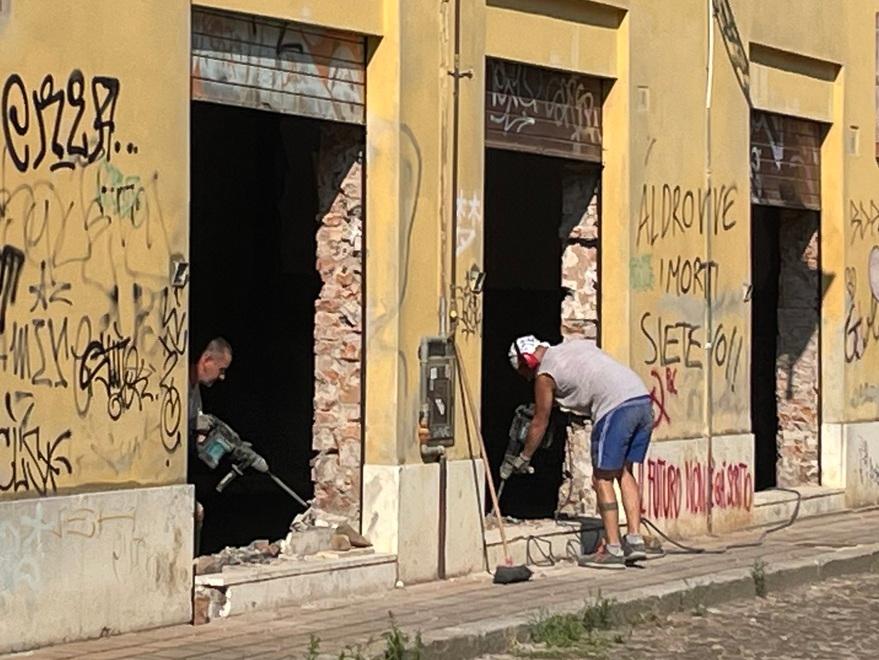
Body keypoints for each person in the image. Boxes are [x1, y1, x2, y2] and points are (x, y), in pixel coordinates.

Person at [502, 334, 654, 569]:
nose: (527, 378)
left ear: (527, 362)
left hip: (615, 408)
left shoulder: (545, 375)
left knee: (601, 478)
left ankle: (613, 549)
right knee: (624, 472)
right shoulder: (573, 347)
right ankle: (635, 540)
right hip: (642, 400)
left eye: (524, 373)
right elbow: (586, 378)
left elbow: (540, 421)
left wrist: (524, 457)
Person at [188, 337, 233, 555]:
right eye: (221, 369)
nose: (222, 377)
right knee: (196, 511)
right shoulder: (178, 384)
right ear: (206, 360)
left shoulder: (195, 392)